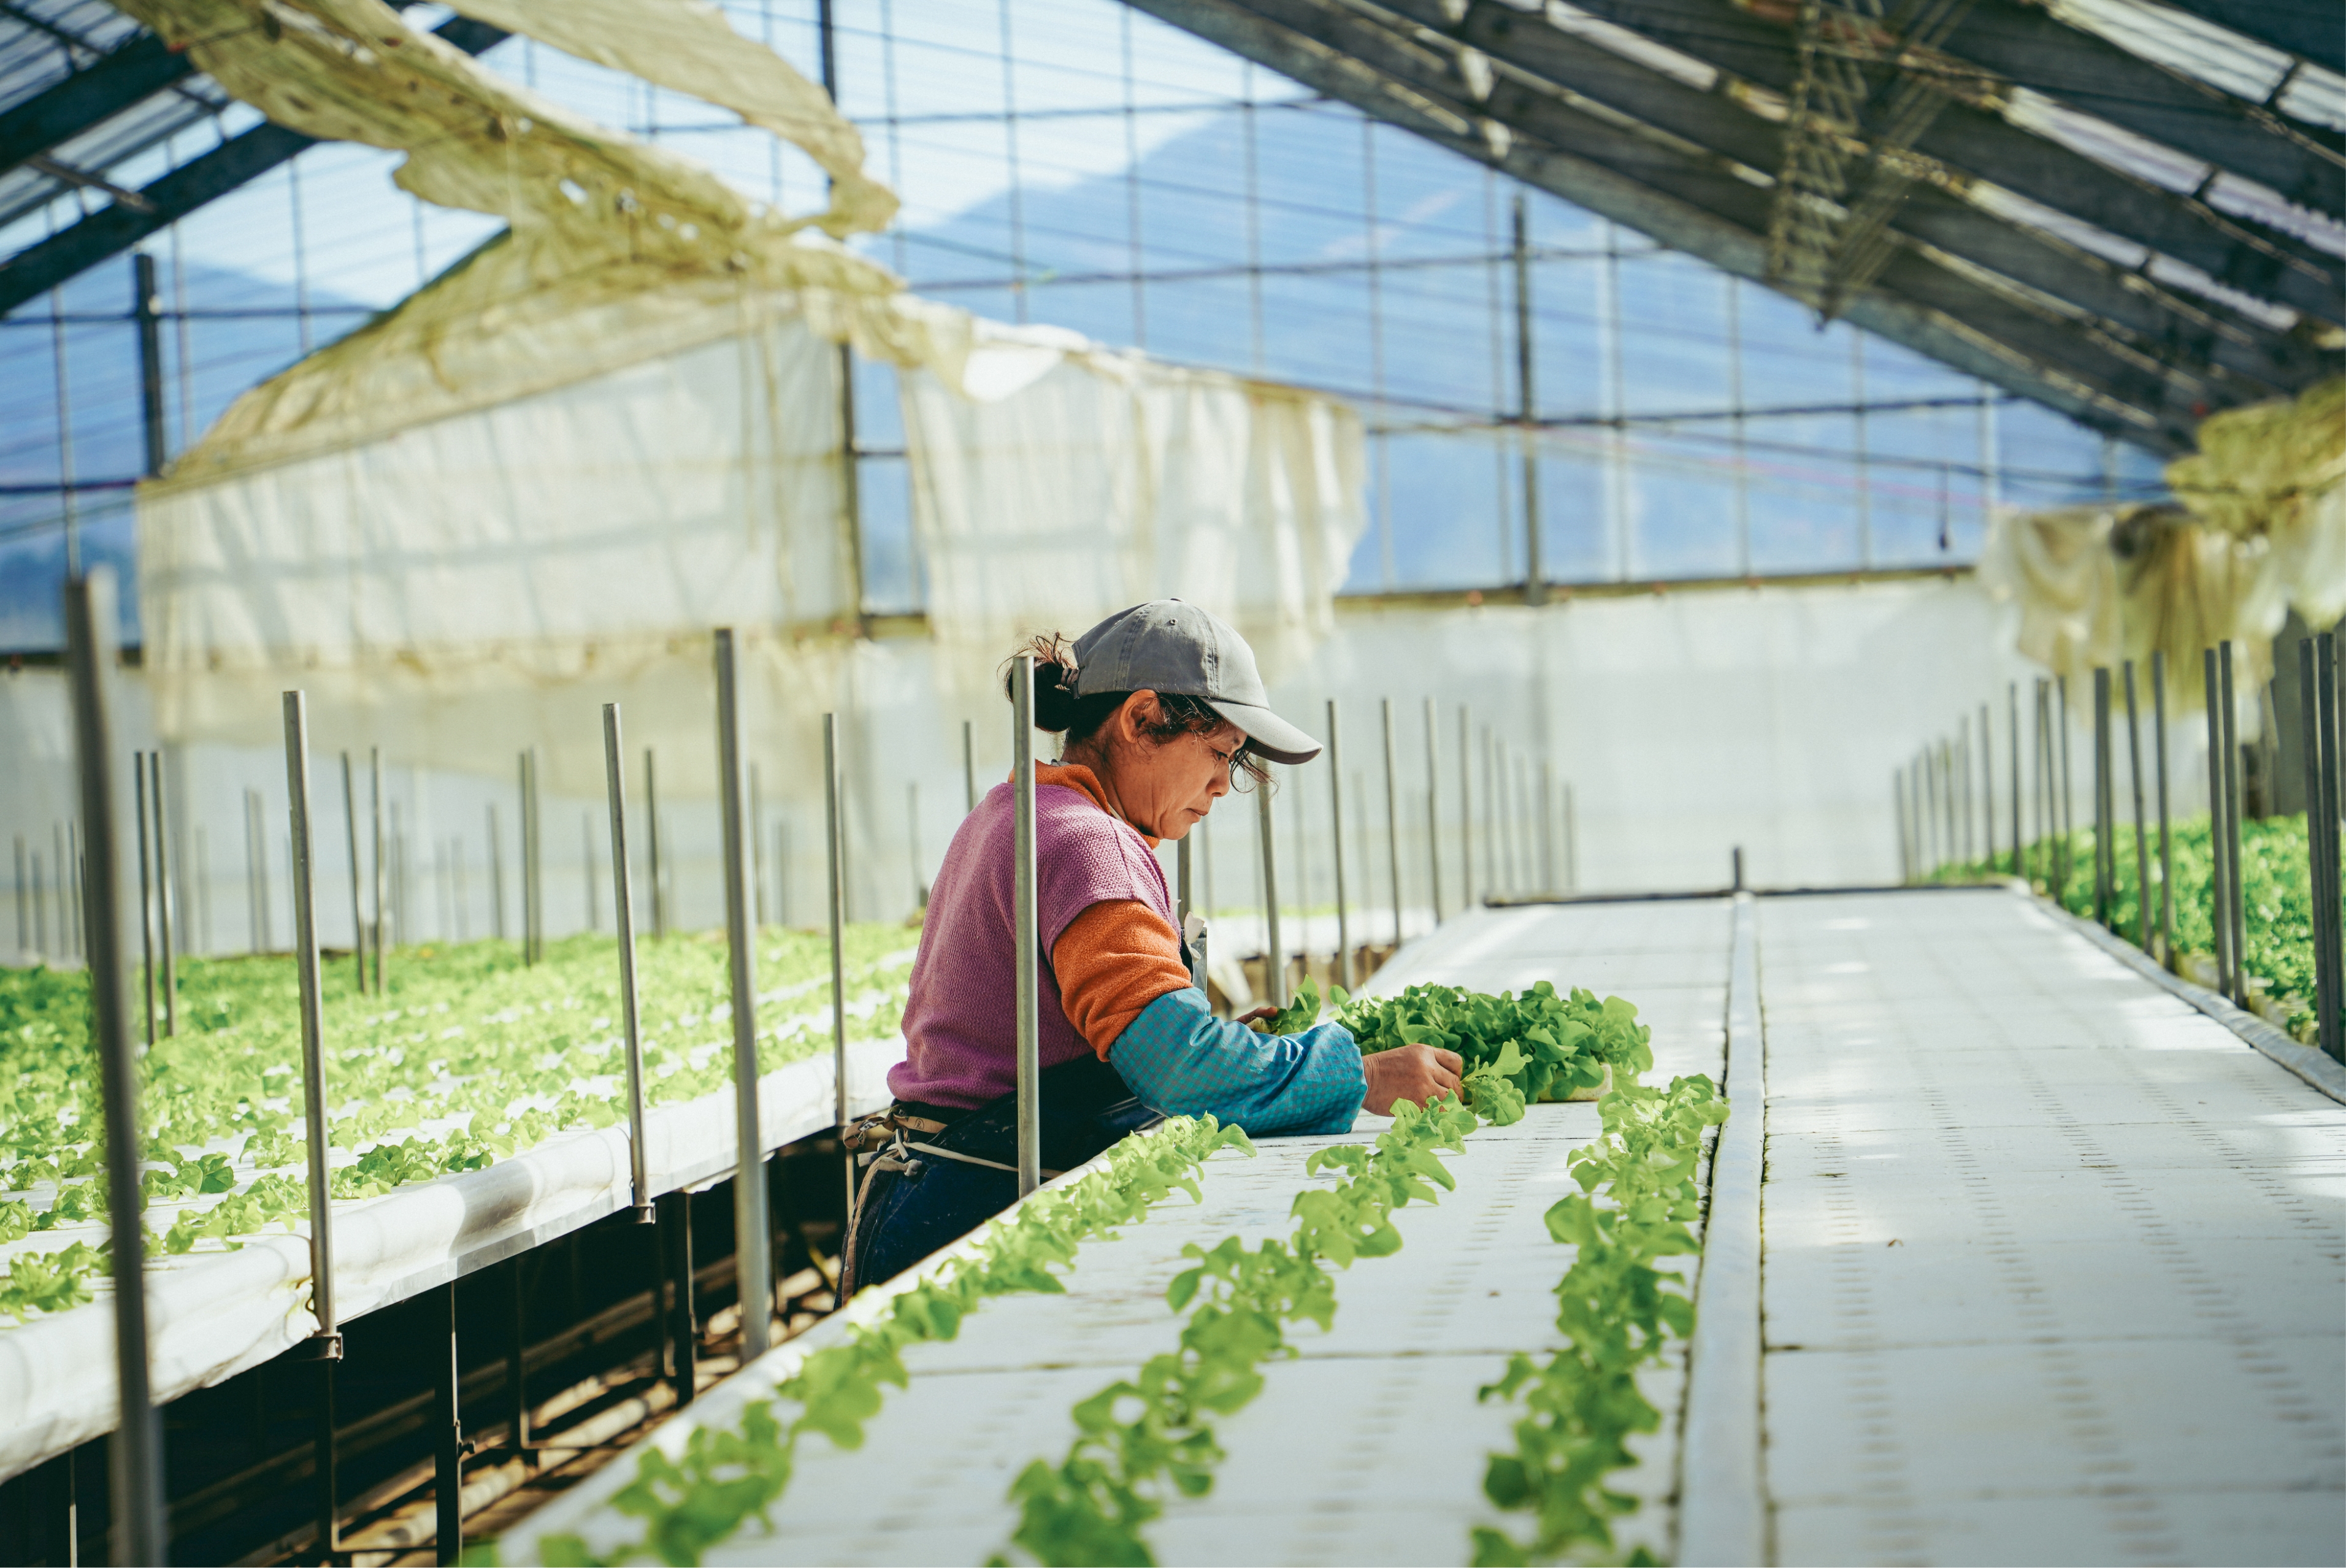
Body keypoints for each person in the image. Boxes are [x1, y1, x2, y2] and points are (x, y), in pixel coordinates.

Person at [843, 600, 1463, 1291]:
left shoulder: (1013, 811)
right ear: (1140, 720)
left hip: (932, 1192)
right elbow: (1183, 1070)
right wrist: (1364, 1076)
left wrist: (1220, 1039)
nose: (1222, 788)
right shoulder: (1090, 843)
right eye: (1221, 754)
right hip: (980, 1214)